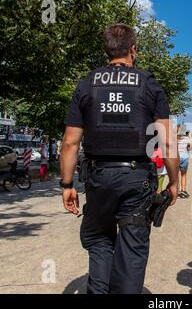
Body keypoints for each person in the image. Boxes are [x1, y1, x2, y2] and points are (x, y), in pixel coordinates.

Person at [60, 24, 179, 294]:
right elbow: (167, 141)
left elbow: (70, 141)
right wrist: (173, 181)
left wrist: (66, 185)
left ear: (107, 50)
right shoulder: (149, 84)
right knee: (133, 247)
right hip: (138, 179)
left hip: (99, 178)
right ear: (133, 49)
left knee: (100, 242)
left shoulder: (87, 83)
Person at [178, 131, 191, 198]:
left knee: (176, 175)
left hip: (176, 157)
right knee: (183, 175)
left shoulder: (175, 138)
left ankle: (176, 191)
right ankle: (183, 191)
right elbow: (189, 148)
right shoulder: (187, 139)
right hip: (184, 157)